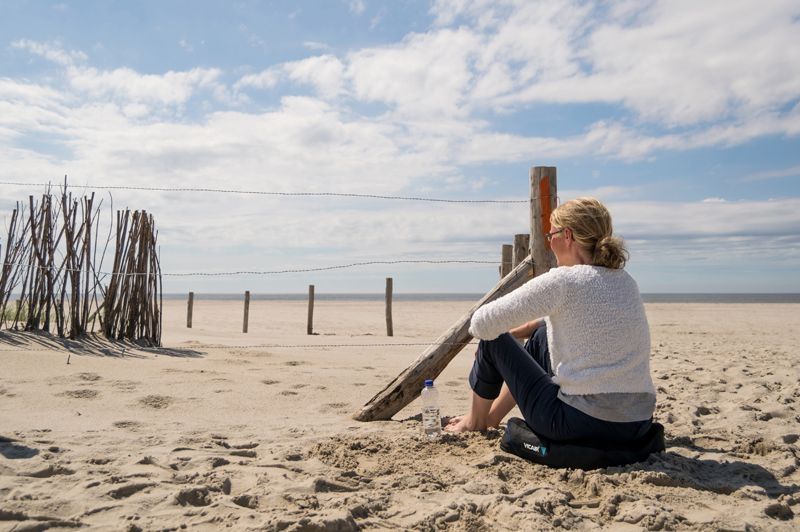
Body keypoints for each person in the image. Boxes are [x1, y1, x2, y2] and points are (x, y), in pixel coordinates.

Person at [445, 197, 656, 445]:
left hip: (579, 423)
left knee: (493, 339)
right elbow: (580, 319)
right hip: (636, 424)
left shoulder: (562, 281)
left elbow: (481, 323)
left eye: (551, 235)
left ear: (567, 236)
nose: (549, 242)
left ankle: (475, 421)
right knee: (542, 334)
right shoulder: (625, 281)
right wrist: (526, 330)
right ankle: (491, 417)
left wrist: (501, 343)